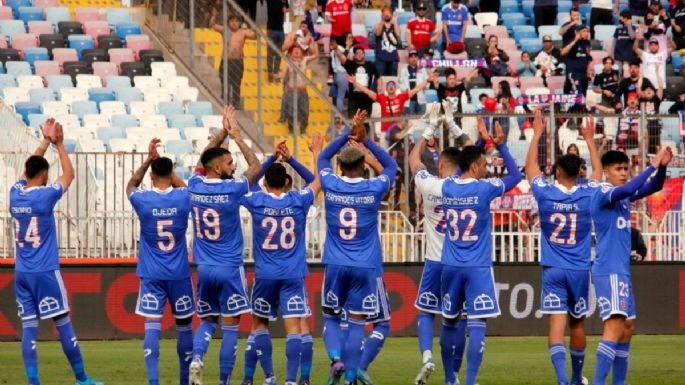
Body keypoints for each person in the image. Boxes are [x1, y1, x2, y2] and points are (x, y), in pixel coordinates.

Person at [11, 118, 103, 385]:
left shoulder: (15, 194)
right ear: (43, 176)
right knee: (62, 322)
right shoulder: (45, 195)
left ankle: (33, 382)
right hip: (46, 271)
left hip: (22, 272)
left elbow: (28, 170)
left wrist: (43, 144)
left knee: (29, 328)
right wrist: (59, 143)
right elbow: (69, 175)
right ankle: (82, 379)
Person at [318, 110, 398, 385]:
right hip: (365, 266)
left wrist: (346, 135)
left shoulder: (330, 182)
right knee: (356, 324)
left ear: (340, 167)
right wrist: (366, 140)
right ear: (363, 166)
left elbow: (321, 157)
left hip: (336, 263)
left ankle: (336, 359)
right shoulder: (373, 187)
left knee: (330, 317)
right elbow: (391, 168)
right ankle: (351, 375)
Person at [440, 119, 522, 385]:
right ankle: (470, 381)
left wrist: (479, 146)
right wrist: (501, 147)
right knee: (477, 324)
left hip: (450, 265)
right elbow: (516, 176)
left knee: (450, 323)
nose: (488, 169)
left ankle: (450, 379)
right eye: (485, 165)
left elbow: (460, 169)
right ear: (475, 167)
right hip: (477, 266)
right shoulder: (484, 188)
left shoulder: (447, 186)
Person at [526, 110, 602, 385]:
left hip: (553, 268)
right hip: (580, 268)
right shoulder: (588, 193)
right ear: (579, 172)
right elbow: (598, 172)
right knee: (578, 323)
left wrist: (537, 134)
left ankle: (561, 380)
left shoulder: (546, 193)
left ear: (557, 171)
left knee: (556, 326)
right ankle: (575, 377)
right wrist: (590, 140)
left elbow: (531, 168)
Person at [187, 106, 261, 385]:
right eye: (230, 164)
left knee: (206, 321)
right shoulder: (233, 188)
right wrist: (237, 136)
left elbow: (204, 157)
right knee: (231, 327)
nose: (234, 167)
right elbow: (256, 167)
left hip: (204, 268)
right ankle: (224, 382)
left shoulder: (194, 184)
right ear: (219, 168)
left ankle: (196, 359)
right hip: (230, 267)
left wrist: (221, 133)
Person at [240, 137, 322, 385]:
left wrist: (269, 159)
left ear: (265, 182)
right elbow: (318, 181)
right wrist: (308, 154)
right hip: (292, 273)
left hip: (265, 274)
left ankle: (260, 377)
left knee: (259, 325)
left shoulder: (256, 199)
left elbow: (246, 180)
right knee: (296, 328)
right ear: (287, 182)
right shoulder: (298, 200)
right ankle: (292, 380)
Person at [590, 147, 672, 385]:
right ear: (606, 172)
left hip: (621, 270)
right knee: (614, 326)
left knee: (626, 327)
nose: (624, 173)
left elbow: (654, 187)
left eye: (626, 168)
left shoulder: (623, 196)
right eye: (618, 169)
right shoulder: (603, 190)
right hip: (609, 269)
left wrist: (663, 166)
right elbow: (627, 188)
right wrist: (653, 165)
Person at [409, 103, 470, 385]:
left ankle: (426, 357)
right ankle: (452, 376)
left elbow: (413, 161)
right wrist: (453, 125)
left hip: (435, 261)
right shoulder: (473, 186)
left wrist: (430, 127)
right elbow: (477, 153)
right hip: (463, 262)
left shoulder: (431, 185)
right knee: (456, 318)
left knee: (425, 312)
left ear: (442, 165)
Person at [127, 138, 194, 385]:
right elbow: (187, 187)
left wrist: (147, 160)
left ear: (152, 176)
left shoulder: (143, 199)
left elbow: (130, 185)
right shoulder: (183, 197)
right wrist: (172, 175)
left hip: (152, 274)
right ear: (171, 173)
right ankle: (184, 381)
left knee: (151, 327)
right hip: (178, 273)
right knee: (184, 326)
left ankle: (153, 382)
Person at [347, 72, 436, 133]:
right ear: (386, 88)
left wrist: (427, 81)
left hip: (399, 130)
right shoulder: (382, 98)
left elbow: (416, 90)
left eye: (393, 85)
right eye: (389, 85)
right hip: (385, 131)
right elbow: (367, 91)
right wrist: (355, 83)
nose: (391, 87)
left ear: (396, 88)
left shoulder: (401, 97)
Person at [216, 14, 256, 108]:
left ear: (240, 23)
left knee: (236, 84)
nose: (234, 23)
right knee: (224, 82)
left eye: (236, 21)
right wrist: (214, 15)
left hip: (238, 62)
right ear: (228, 23)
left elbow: (255, 36)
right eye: (232, 21)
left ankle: (235, 104)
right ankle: (224, 102)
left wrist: (251, 24)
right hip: (226, 61)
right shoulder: (225, 31)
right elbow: (213, 25)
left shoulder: (243, 33)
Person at [277, 46, 317, 133]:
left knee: (305, 112)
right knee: (291, 112)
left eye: (298, 50)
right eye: (294, 50)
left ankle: (303, 129)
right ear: (291, 53)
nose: (296, 51)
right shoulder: (289, 63)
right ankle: (291, 130)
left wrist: (312, 43)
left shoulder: (305, 60)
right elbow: (283, 75)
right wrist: (276, 76)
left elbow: (315, 55)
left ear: (302, 53)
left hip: (303, 91)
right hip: (292, 91)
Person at [343, 45, 380, 118]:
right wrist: (347, 47)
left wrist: (380, 87)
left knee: (366, 122)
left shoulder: (370, 65)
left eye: (361, 52)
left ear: (364, 54)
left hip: (366, 99)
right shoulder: (351, 65)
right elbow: (342, 58)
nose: (359, 54)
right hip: (354, 99)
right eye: (357, 53)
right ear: (354, 55)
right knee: (353, 122)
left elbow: (378, 77)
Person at [398, 49, 431, 114]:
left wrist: (425, 86)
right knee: (410, 122)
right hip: (409, 101)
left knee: (422, 122)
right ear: (408, 58)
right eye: (411, 57)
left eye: (415, 57)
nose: (414, 59)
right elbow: (400, 84)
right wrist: (406, 90)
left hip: (421, 100)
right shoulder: (403, 71)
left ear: (418, 58)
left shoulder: (423, 70)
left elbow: (427, 83)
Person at [562, 25, 592, 94]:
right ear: (578, 33)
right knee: (578, 93)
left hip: (583, 73)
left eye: (587, 31)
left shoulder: (587, 43)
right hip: (573, 72)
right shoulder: (571, 41)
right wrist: (575, 40)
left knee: (584, 94)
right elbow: (563, 52)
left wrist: (588, 71)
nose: (586, 33)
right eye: (584, 31)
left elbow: (587, 57)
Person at [329, 33, 354, 112]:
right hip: (341, 73)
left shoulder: (352, 49)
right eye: (349, 38)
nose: (351, 39)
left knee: (351, 96)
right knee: (340, 96)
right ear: (344, 39)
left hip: (349, 74)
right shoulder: (339, 47)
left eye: (351, 38)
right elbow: (343, 60)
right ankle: (339, 115)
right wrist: (347, 47)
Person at [266, 0, 289, 83]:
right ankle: (270, 73)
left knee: (279, 53)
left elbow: (287, 8)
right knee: (270, 52)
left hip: (281, 29)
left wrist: (285, 10)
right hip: (271, 29)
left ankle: (276, 73)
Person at [374, 7, 401, 76]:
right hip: (381, 58)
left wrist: (395, 22)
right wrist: (382, 21)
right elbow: (378, 33)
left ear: (391, 15)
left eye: (388, 13)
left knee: (392, 80)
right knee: (381, 78)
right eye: (385, 13)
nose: (386, 15)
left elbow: (398, 34)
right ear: (382, 15)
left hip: (393, 58)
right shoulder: (378, 25)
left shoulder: (395, 26)